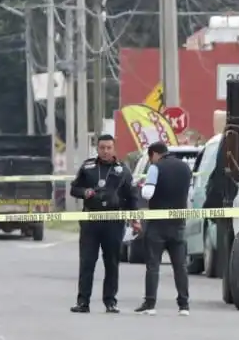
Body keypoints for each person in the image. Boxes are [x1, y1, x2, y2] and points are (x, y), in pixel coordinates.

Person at [69, 134, 137, 313]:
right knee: (87, 262)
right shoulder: (88, 166)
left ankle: (110, 301)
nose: (105, 151)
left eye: (108, 147)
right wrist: (85, 192)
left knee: (112, 262)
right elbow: (74, 188)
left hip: (113, 221)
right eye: (102, 148)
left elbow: (132, 197)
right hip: (91, 220)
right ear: (97, 149)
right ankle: (83, 302)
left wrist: (135, 219)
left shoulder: (123, 170)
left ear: (114, 148)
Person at [136, 142, 194, 315]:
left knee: (153, 265)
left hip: (158, 223)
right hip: (178, 222)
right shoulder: (185, 168)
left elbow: (148, 193)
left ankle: (150, 304)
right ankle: (184, 305)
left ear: (153, 154)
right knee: (180, 266)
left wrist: (143, 186)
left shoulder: (155, 168)